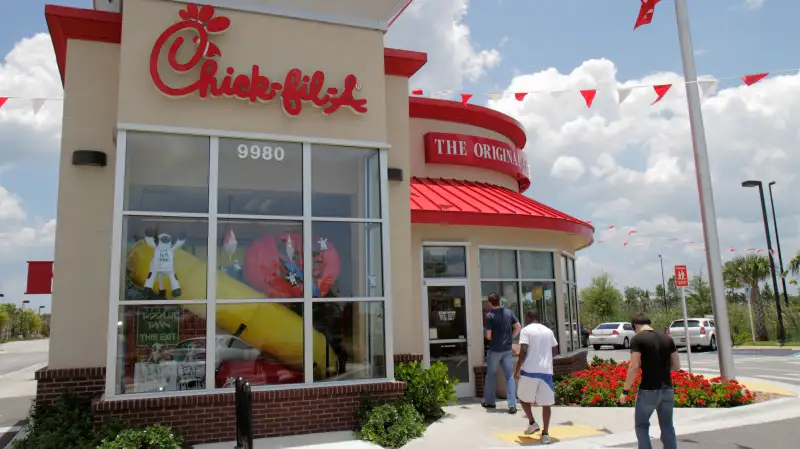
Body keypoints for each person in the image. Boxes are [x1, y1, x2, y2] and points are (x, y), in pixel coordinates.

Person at [620, 315, 680, 449]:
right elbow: (676, 366)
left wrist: (625, 391)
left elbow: (634, 366)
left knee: (641, 426)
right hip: (667, 389)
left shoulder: (637, 339)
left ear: (635, 326)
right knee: (667, 426)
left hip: (648, 390)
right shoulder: (667, 338)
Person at [514, 310, 559, 444]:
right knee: (546, 403)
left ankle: (532, 422)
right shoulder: (548, 331)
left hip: (529, 370)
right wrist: (545, 359)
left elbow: (523, 351)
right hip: (546, 371)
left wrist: (517, 370)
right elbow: (555, 350)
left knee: (522, 398)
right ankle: (545, 434)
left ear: (528, 317)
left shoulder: (526, 331)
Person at [482, 292, 522, 413]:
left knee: (491, 376)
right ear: (500, 301)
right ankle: (512, 405)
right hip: (507, 349)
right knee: (509, 376)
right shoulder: (508, 313)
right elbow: (518, 326)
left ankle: (490, 402)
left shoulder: (489, 316)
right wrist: (511, 337)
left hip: (494, 349)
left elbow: (488, 336)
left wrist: (488, 335)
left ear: (490, 302)